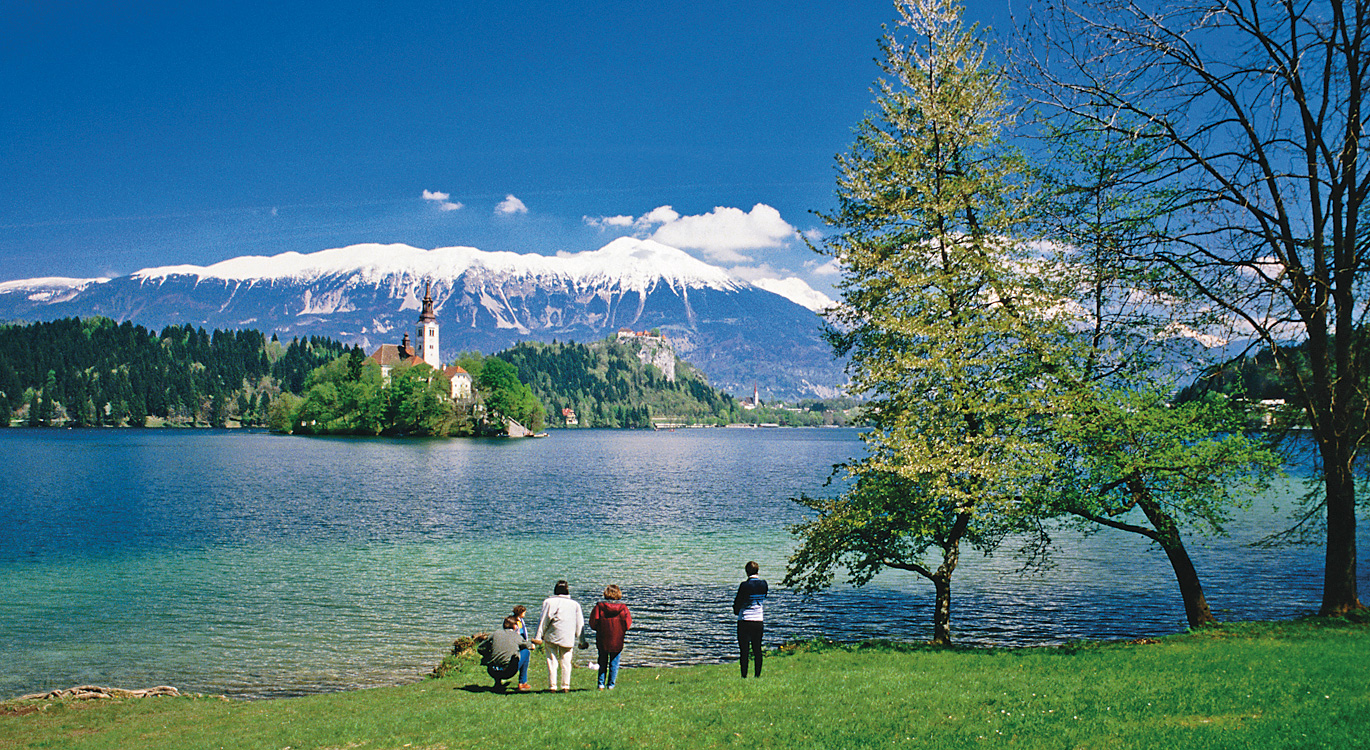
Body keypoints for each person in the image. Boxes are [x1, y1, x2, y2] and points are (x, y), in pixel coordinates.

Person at [532, 579, 584, 692]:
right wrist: (581, 641)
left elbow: (543, 620)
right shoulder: (575, 605)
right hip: (568, 637)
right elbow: (580, 624)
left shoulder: (549, 602)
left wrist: (538, 636)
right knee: (566, 663)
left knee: (552, 661)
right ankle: (565, 686)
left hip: (552, 636)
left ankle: (553, 686)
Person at [588, 584, 632, 690]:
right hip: (617, 639)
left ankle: (601, 684)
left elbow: (593, 623)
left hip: (603, 638)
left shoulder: (599, 607)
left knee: (602, 661)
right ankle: (611, 685)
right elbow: (628, 624)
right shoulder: (623, 608)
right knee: (614, 663)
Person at [732, 560, 767, 679]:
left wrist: (736, 611)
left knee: (744, 650)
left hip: (745, 619)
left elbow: (738, 602)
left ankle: (744, 675)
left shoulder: (744, 585)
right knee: (757, 648)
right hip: (758, 619)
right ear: (758, 571)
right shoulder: (764, 584)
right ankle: (757, 675)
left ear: (747, 572)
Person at [482, 616, 531, 691]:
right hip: (509, 671)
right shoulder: (517, 637)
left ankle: (497, 683)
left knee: (495, 655)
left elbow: (480, 648)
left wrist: (488, 654)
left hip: (492, 670)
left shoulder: (495, 634)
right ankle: (522, 682)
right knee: (526, 652)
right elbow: (529, 646)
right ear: (515, 626)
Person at [511, 605, 533, 691]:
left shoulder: (521, 620)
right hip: (518, 641)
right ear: (520, 613)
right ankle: (522, 682)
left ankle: (523, 682)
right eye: (524, 612)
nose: (525, 614)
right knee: (524, 658)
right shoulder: (515, 621)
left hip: (522, 640)